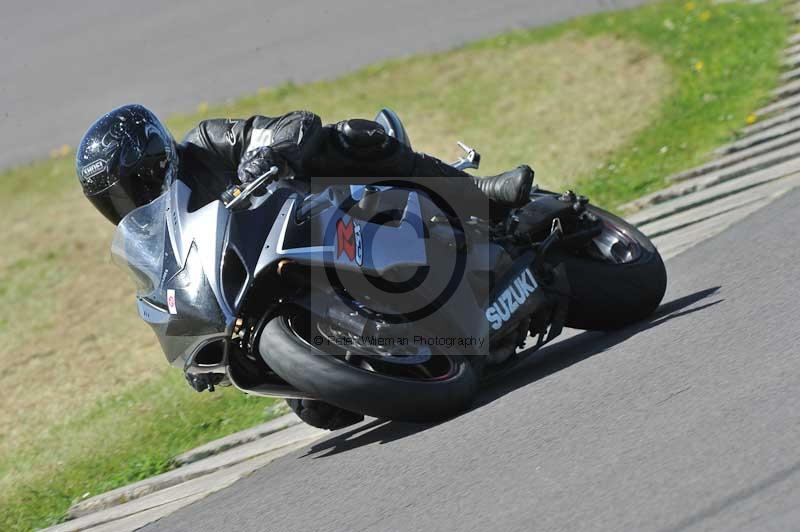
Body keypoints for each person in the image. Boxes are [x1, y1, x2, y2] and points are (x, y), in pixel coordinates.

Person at [75, 104, 533, 429]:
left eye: (133, 183)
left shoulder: (208, 143)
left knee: (353, 137)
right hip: (270, 285)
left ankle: (479, 195)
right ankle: (408, 345)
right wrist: (192, 346)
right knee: (323, 413)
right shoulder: (154, 237)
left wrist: (265, 153)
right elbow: (176, 289)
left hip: (319, 209)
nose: (129, 200)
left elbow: (297, 124)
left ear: (158, 157)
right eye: (111, 199)